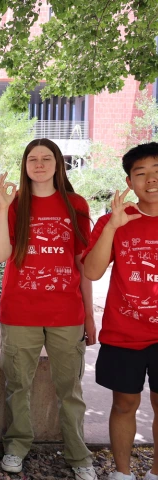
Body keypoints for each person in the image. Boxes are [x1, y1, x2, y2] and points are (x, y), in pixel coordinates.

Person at [0, 138, 96, 480]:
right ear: (25, 165)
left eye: (46, 158)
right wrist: (2, 205)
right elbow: (1, 255)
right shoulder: (15, 203)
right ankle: (17, 445)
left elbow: (82, 262)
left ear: (58, 164)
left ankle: (78, 454)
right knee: (17, 385)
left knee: (71, 388)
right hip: (20, 311)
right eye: (32, 159)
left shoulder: (76, 204)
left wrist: (91, 316)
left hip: (66, 313)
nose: (39, 164)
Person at [82, 142, 158, 480]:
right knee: (124, 404)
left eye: (157, 172)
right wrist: (112, 226)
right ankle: (123, 473)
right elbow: (92, 271)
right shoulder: (114, 220)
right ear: (129, 182)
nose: (150, 180)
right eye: (141, 174)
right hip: (124, 333)